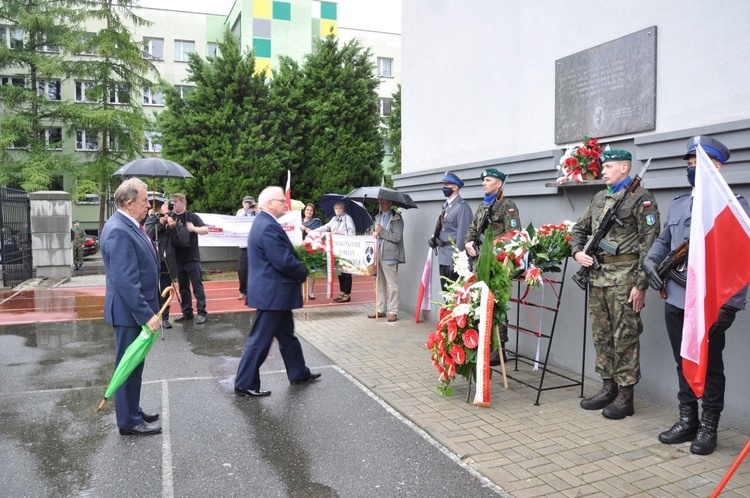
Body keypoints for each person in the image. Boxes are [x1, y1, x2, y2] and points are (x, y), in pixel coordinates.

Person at [643, 136, 749, 455]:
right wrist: (650, 259)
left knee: (711, 365)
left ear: (715, 166)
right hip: (676, 299)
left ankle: (708, 426)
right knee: (683, 360)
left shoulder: (734, 206)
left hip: (709, 305)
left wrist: (729, 308)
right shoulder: (678, 204)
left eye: (697, 165)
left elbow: (740, 261)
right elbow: (664, 241)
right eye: (689, 165)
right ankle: (687, 419)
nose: (691, 170)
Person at [570, 149, 660, 420]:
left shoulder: (641, 199)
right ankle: (608, 387)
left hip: (625, 280)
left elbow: (650, 245)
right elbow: (579, 229)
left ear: (624, 167)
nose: (603, 170)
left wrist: (641, 285)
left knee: (625, 337)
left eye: (609, 166)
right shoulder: (600, 197)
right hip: (597, 276)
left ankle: (625, 395)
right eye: (603, 166)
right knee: (602, 335)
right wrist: (577, 252)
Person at [234, 186, 321, 397]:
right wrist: (303, 271)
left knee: (287, 336)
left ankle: (298, 372)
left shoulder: (266, 223)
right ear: (270, 203)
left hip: (274, 294)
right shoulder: (267, 226)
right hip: (272, 294)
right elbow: (282, 260)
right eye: (282, 201)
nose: (285, 204)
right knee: (260, 340)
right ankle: (245, 383)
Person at [100, 178, 162, 436]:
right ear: (129, 202)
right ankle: (128, 421)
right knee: (128, 365)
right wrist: (147, 315)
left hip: (132, 312)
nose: (149, 205)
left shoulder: (129, 225)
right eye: (145, 200)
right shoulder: (118, 229)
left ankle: (132, 410)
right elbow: (126, 281)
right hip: (129, 313)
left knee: (135, 364)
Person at [463, 168, 520, 364]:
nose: (483, 183)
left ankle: (499, 348)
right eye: (483, 180)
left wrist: (494, 245)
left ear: (499, 184)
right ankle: (485, 343)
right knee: (481, 304)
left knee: (497, 305)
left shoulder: (507, 206)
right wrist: (468, 242)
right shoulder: (482, 207)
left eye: (488, 180)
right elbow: (472, 229)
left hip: (497, 264)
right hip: (480, 263)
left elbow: (515, 234)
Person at [145, 200, 189, 330]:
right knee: (153, 290)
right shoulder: (152, 219)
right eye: (163, 210)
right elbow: (148, 235)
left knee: (165, 290)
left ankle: (165, 317)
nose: (165, 213)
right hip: (153, 260)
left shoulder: (172, 219)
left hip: (167, 261)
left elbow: (179, 241)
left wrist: (173, 227)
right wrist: (160, 223)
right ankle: (152, 316)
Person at [429, 172, 473, 292]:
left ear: (455, 187)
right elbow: (444, 229)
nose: (444, 187)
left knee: (454, 296)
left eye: (447, 184)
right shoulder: (446, 206)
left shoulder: (462, 207)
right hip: (443, 256)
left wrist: (460, 260)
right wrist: (435, 240)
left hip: (454, 258)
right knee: (446, 294)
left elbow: (463, 235)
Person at [171, 193, 209, 324]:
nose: (173, 204)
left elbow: (206, 230)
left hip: (192, 257)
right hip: (179, 258)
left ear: (183, 202)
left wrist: (194, 228)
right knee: (183, 287)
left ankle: (201, 312)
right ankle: (187, 313)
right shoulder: (172, 217)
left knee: (197, 286)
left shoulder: (192, 216)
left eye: (175, 201)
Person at [368, 198, 405, 322]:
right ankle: (381, 309)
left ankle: (393, 311)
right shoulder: (378, 218)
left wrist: (381, 232)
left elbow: (397, 237)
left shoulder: (397, 219)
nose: (381, 204)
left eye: (383, 202)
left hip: (390, 255)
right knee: (378, 283)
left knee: (392, 285)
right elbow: (377, 233)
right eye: (380, 202)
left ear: (390, 203)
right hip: (377, 253)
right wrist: (375, 233)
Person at [315, 201, 355, 303]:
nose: (338, 210)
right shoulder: (334, 219)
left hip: (346, 248)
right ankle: (342, 292)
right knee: (340, 271)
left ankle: (347, 294)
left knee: (346, 272)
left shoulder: (347, 218)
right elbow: (326, 227)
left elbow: (352, 232)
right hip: (337, 248)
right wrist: (314, 231)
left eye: (340, 209)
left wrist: (340, 233)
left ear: (343, 210)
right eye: (336, 209)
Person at [236, 195, 257, 301]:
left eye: (250, 202)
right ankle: (243, 291)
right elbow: (236, 220)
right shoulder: (240, 212)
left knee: (255, 269)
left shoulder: (256, 212)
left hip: (255, 245)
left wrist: (257, 208)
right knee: (242, 269)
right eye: (246, 202)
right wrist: (245, 209)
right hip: (244, 245)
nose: (249, 204)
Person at [300, 203, 322, 300]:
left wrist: (305, 229)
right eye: (307, 210)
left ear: (313, 212)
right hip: (300, 248)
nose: (309, 212)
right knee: (300, 270)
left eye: (311, 210)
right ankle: (300, 292)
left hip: (312, 247)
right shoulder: (299, 221)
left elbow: (317, 233)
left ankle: (310, 292)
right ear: (304, 211)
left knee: (311, 271)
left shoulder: (316, 222)